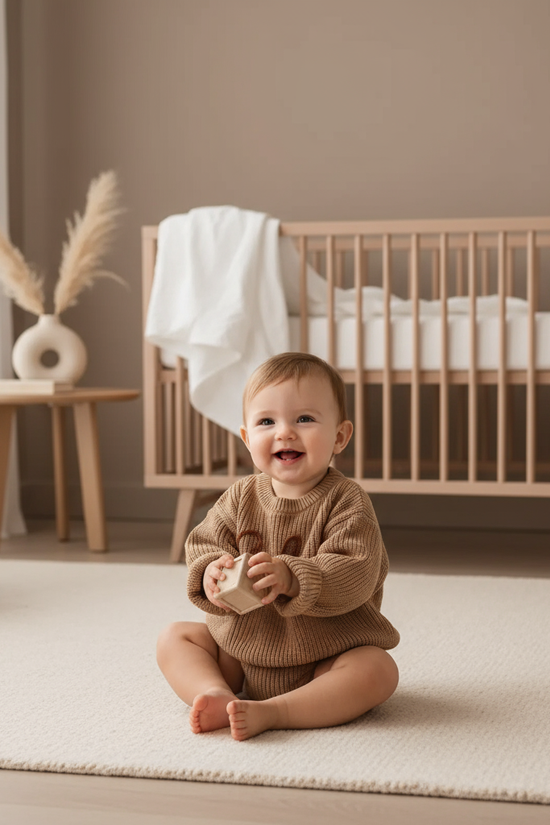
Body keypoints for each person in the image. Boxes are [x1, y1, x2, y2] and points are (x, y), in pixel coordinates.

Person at [157, 352, 400, 741]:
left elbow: (357, 571)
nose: (284, 432)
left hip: (325, 656)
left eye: (304, 419)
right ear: (247, 437)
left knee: (378, 670)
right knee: (175, 637)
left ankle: (275, 712)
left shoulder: (347, 501)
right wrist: (209, 573)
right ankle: (215, 692)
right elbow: (203, 543)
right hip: (240, 651)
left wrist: (294, 577)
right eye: (267, 421)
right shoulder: (239, 497)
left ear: (340, 436)